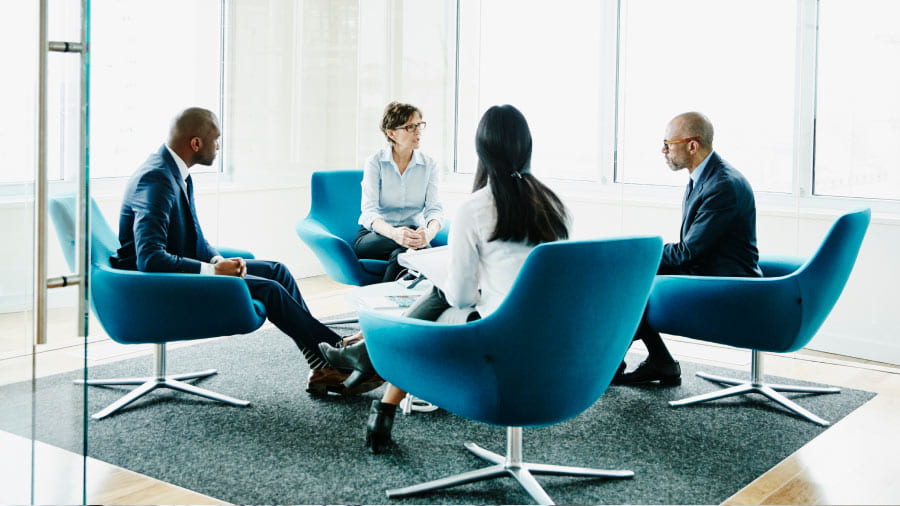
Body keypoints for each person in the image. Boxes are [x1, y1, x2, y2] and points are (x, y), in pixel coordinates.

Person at [320, 104, 570, 453]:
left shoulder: (477, 207)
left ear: (481, 150)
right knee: (437, 285)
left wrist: (445, 267)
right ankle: (372, 368)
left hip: (497, 336)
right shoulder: (555, 205)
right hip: (556, 342)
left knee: (439, 291)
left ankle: (374, 365)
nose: (417, 131)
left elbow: (464, 298)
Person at [110, 107, 382, 396]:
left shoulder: (176, 172)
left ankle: (322, 365)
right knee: (270, 289)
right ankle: (339, 351)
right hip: (154, 288)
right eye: (216, 140)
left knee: (276, 270)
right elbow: (150, 259)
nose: (219, 146)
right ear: (195, 144)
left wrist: (217, 259)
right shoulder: (156, 178)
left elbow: (192, 239)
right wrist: (214, 271)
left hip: (175, 274)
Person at [613, 111, 763, 386]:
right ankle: (653, 362)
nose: (664, 150)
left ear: (692, 145)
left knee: (631, 280)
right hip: (709, 268)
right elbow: (693, 249)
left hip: (727, 282)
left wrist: (640, 254)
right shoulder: (707, 177)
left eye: (668, 144)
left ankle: (613, 361)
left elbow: (688, 252)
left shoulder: (722, 185)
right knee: (631, 280)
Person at [354, 102, 444, 282]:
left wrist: (429, 233)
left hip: (412, 234)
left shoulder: (429, 165)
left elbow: (434, 209)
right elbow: (368, 212)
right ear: (391, 133)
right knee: (418, 254)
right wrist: (394, 233)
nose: (418, 131)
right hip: (376, 236)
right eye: (410, 127)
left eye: (419, 125)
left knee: (403, 253)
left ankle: (385, 304)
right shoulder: (375, 162)